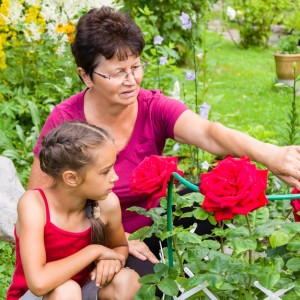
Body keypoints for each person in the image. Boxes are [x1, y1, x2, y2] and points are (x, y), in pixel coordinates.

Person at [27, 6, 300, 274]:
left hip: (156, 226)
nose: (131, 80)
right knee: (142, 282)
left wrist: (270, 154)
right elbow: (39, 207)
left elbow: (209, 132)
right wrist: (116, 244)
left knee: (208, 195)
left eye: (135, 67)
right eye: (117, 72)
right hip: (96, 241)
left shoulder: (152, 106)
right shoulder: (65, 121)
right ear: (85, 75)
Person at [7, 121, 140, 300]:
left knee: (128, 281)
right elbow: (38, 283)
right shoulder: (34, 205)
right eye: (105, 171)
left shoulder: (107, 205)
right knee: (66, 290)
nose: (115, 177)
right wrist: (94, 251)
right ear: (71, 178)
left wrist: (113, 259)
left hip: (81, 290)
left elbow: (119, 246)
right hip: (40, 295)